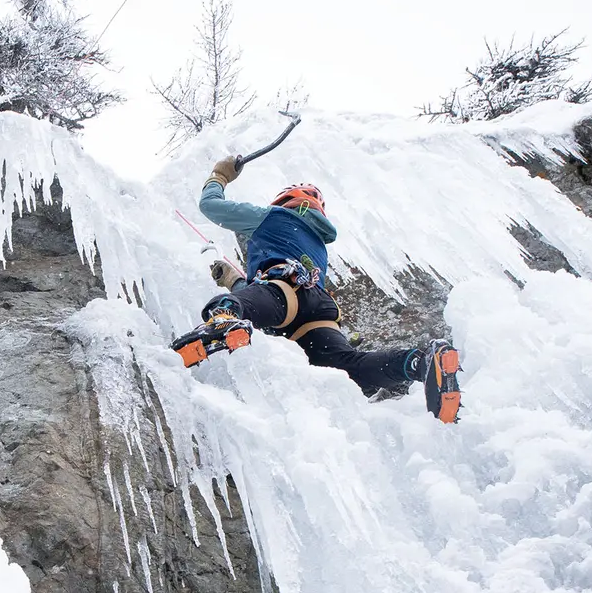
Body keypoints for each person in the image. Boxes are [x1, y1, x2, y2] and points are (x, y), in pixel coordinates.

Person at [171, 157, 462, 422]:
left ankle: (222, 322)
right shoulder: (318, 244)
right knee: (351, 368)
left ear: (286, 202)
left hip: (283, 292)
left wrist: (219, 175)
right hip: (316, 311)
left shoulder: (273, 216)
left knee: (227, 305)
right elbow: (264, 298)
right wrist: (234, 279)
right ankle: (420, 362)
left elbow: (210, 206)